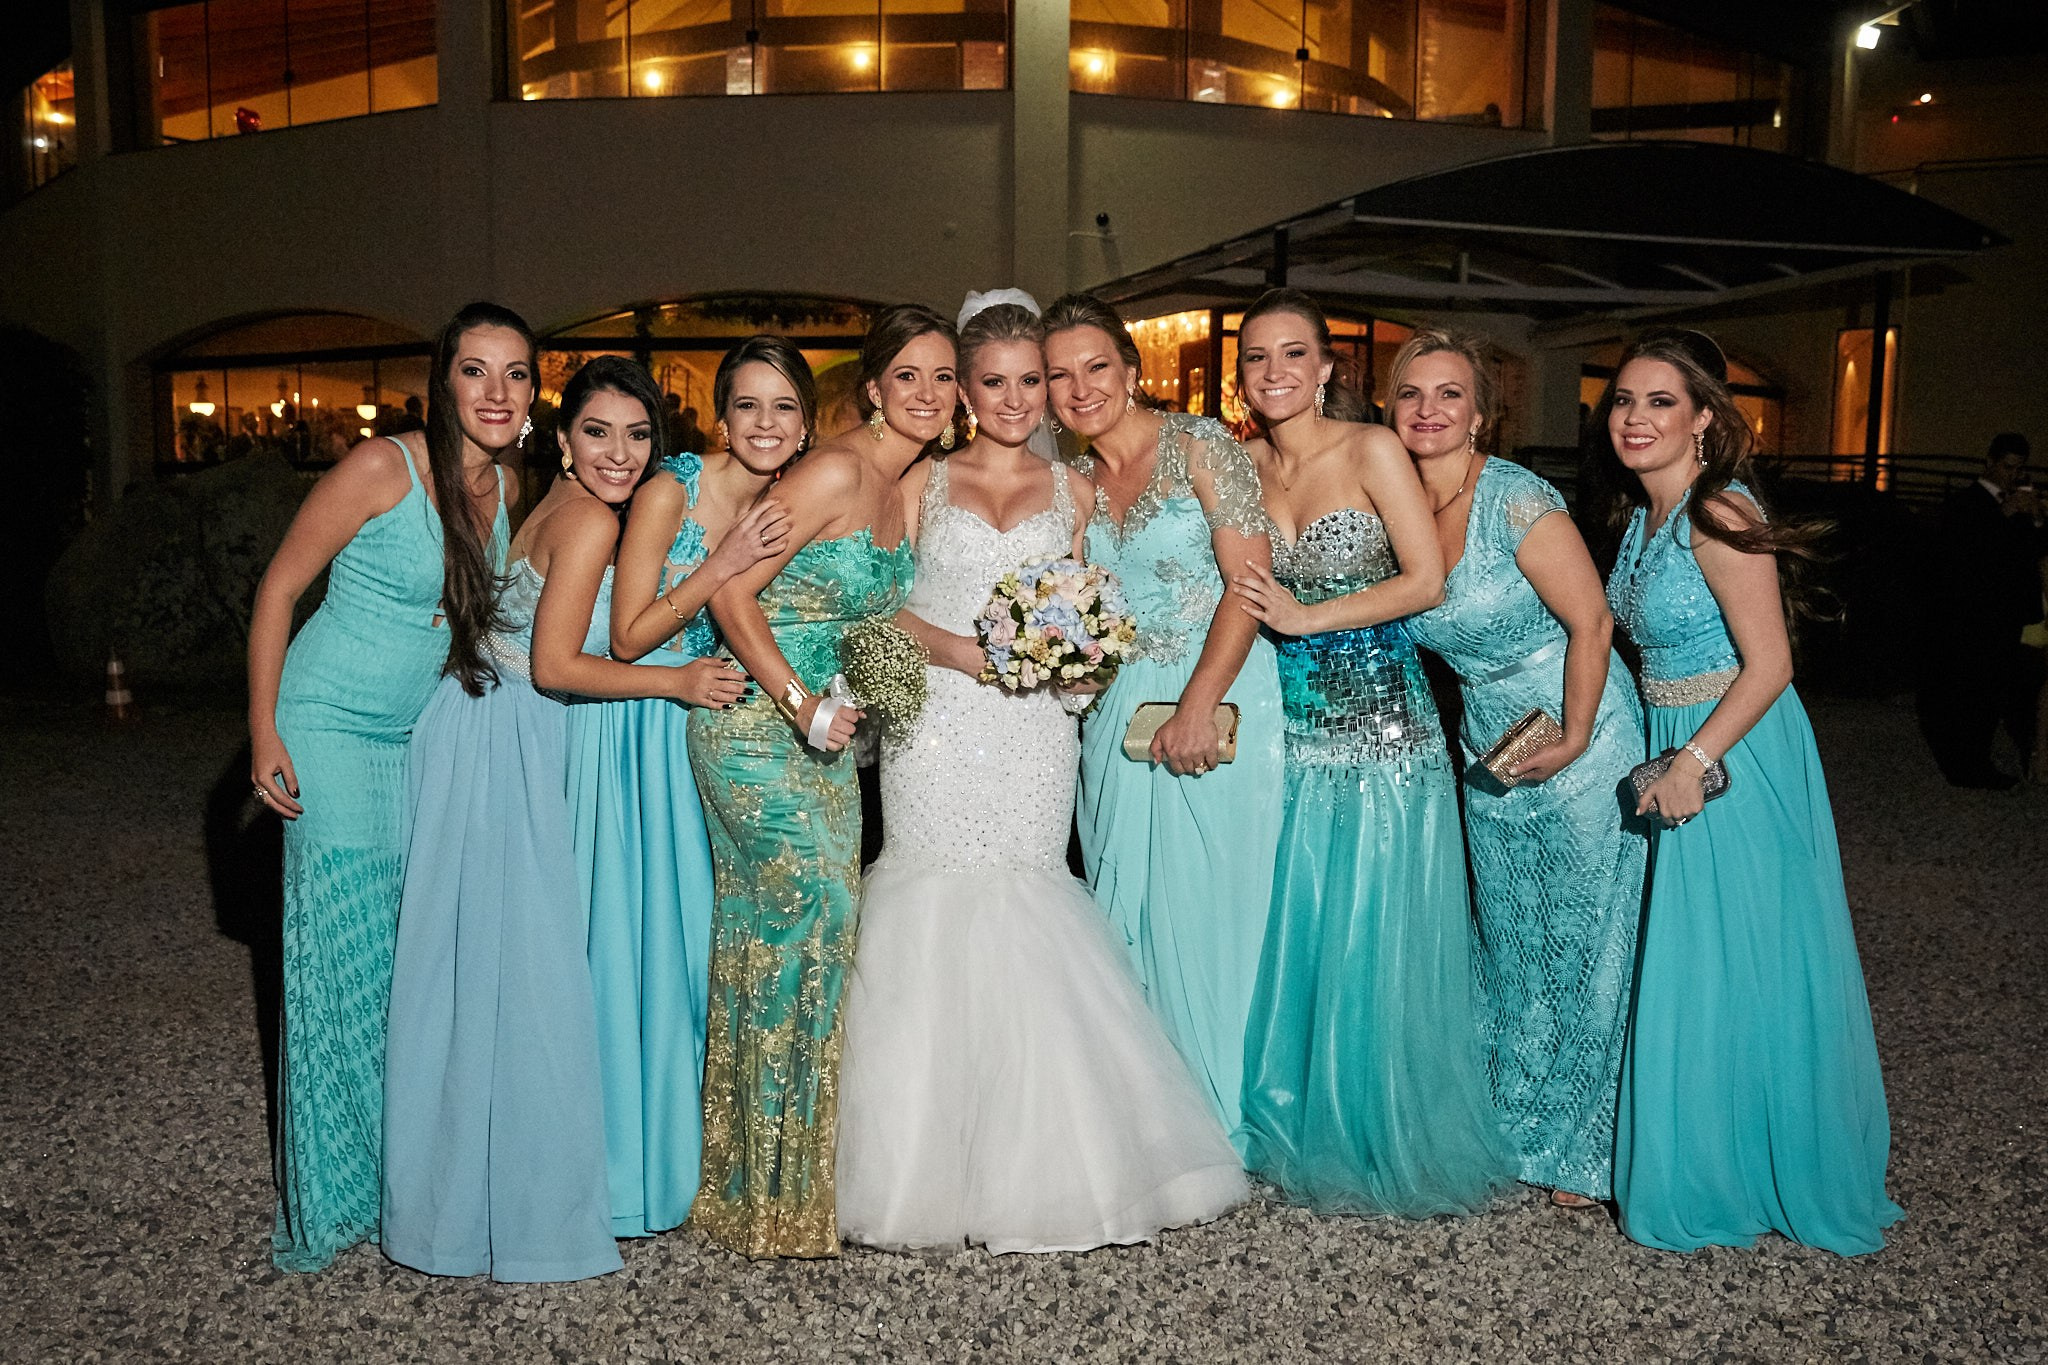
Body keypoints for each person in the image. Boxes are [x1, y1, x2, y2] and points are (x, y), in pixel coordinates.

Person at [836, 292, 1246, 1254]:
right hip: (936, 726)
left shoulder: (1077, 492)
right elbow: (874, 604)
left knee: (1031, 890)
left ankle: (1054, 1165)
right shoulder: (920, 482)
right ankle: (915, 1168)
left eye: (1032, 381)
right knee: (926, 893)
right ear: (965, 392)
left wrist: (1080, 666)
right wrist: (961, 651)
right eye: (995, 382)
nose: (1017, 399)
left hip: (1033, 729)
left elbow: (1096, 608)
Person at [380, 356, 772, 1282]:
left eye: (638, 435)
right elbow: (556, 664)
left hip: (479, 723)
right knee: (537, 970)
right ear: (563, 439)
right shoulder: (592, 518)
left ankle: (472, 1184)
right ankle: (542, 1190)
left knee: (488, 971)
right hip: (517, 732)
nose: (619, 452)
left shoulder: (544, 502)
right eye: (597, 432)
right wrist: (677, 679)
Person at [1598, 328, 1903, 1256]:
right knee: (1700, 960)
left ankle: (1756, 1165)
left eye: (1660, 401)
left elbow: (1771, 663)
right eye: (1623, 400)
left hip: (1733, 751)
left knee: (1745, 954)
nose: (1635, 417)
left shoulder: (1718, 510)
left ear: (1704, 418)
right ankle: (1710, 1157)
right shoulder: (1640, 515)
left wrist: (1692, 761)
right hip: (1674, 742)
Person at [247, 301, 523, 1273]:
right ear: (443, 382)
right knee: (343, 958)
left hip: (418, 742)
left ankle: (400, 1174)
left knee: (408, 962)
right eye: (476, 370)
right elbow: (279, 588)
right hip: (327, 727)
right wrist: (264, 730)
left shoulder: (506, 487)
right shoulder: (382, 468)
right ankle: (335, 1193)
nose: (496, 391)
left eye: (516, 374)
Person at [1228, 289, 1508, 1217]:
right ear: (1241, 374)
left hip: (1386, 727)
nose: (1275, 371)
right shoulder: (1237, 466)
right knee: (1305, 912)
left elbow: (1426, 581)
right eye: (1257, 356)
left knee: (1375, 923)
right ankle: (1298, 1112)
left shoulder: (1373, 449)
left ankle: (1378, 1122)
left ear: (1324, 367)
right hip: (1290, 728)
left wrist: (1307, 617)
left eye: (1293, 353)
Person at [687, 310, 938, 1258]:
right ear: (872, 388)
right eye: (907, 376)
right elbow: (728, 587)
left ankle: (771, 1187)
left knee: (809, 935)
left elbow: (874, 615)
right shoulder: (833, 470)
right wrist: (800, 703)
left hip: (825, 740)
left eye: (943, 378)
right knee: (811, 913)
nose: (927, 394)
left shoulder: (902, 486)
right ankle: (765, 1194)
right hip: (757, 726)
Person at [1392, 327, 1647, 1209]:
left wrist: (1573, 735)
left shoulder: (1514, 497)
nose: (1428, 409)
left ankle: (1591, 1147)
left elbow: (1593, 622)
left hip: (1580, 726)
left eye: (1449, 394)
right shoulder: (1396, 505)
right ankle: (1515, 1121)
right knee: (1512, 934)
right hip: (1488, 740)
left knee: (1588, 934)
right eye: (1411, 393)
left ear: (1480, 414)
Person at [1040, 292, 1284, 1154]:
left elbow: (1250, 586)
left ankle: (1214, 1121)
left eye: (1096, 367)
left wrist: (1196, 704)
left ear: (1132, 369)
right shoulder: (1073, 483)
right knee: (1119, 904)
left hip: (1218, 693)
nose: (1081, 388)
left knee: (1210, 904)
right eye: (1060, 375)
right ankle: (1141, 1116)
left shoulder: (1202, 446)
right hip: (1119, 713)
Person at [580, 340, 799, 1239]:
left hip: (711, 724)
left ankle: (699, 1150)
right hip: (641, 718)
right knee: (646, 937)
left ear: (805, 425)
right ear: (720, 418)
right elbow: (627, 634)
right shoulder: (671, 488)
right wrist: (724, 560)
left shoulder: (789, 498)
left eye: (784, 407)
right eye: (747, 405)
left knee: (702, 936)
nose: (765, 424)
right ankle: (630, 1163)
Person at [1919, 432, 2046, 788]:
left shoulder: (2016, 502)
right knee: (1972, 690)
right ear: (1990, 462)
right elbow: (1966, 553)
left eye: (2018, 469)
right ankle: (1968, 765)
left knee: (1993, 691)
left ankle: (1978, 761)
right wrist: (2006, 513)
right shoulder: (1967, 502)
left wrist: (2036, 516)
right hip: (1974, 614)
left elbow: (2033, 550)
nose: (2012, 475)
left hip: (2007, 614)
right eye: (2007, 467)